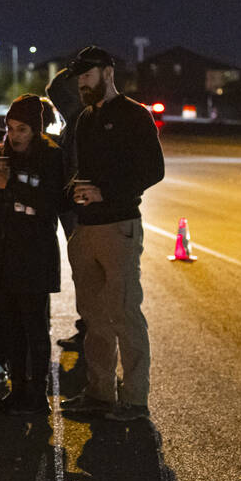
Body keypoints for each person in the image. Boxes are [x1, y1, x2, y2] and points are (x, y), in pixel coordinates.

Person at [59, 46, 165, 422]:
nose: (82, 82)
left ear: (107, 72)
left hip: (118, 226)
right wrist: (73, 189)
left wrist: (107, 191)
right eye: (79, 77)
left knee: (124, 313)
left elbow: (153, 170)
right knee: (93, 316)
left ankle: (135, 400)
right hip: (85, 228)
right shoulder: (86, 118)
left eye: (87, 75)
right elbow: (80, 168)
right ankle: (100, 393)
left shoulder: (134, 115)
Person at [0, 94, 66, 415]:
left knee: (35, 327)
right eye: (11, 128)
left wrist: (10, 184)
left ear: (36, 129)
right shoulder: (3, 154)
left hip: (35, 254)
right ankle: (17, 390)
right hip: (5, 254)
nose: (14, 135)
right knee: (10, 326)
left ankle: (38, 394)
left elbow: (51, 203)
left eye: (22, 129)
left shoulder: (50, 156)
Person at [45, 65, 88, 351]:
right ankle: (87, 330)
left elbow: (74, 165)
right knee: (82, 275)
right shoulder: (72, 124)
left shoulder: (80, 123)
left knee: (86, 275)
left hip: (79, 211)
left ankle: (90, 333)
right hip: (73, 209)